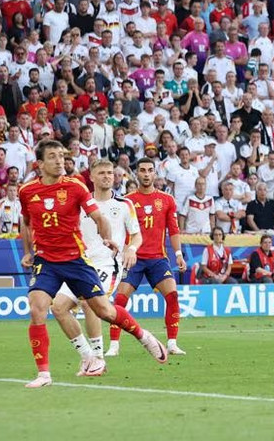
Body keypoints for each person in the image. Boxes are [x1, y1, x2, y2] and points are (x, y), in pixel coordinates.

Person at [19, 140, 166, 388]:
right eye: (53, 156)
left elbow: (98, 215)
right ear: (40, 164)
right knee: (39, 309)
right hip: (46, 261)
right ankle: (51, 371)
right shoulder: (26, 192)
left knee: (103, 311)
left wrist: (108, 238)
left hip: (76, 260)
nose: (59, 161)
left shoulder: (76, 188)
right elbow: (26, 221)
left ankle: (144, 336)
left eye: (61, 156)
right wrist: (27, 251)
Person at [49, 159, 142, 376]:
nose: (107, 176)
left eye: (110, 172)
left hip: (108, 264)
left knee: (89, 302)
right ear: (91, 177)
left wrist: (132, 249)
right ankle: (87, 356)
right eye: (101, 173)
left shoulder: (124, 204)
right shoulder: (80, 203)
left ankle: (98, 358)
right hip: (80, 264)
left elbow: (136, 235)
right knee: (58, 308)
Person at [107, 158, 186, 357]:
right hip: (134, 258)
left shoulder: (167, 200)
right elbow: (119, 229)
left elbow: (173, 230)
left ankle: (172, 343)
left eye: (150, 170)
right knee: (120, 300)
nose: (146, 174)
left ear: (154, 174)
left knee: (173, 295)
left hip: (158, 258)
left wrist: (178, 254)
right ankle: (114, 345)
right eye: (142, 170)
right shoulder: (128, 201)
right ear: (137, 173)